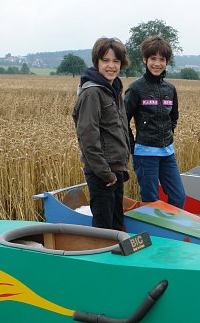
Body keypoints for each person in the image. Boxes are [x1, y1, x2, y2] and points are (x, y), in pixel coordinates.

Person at [72, 37, 131, 230]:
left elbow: (119, 129)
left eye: (116, 61)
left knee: (116, 225)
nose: (111, 66)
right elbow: (88, 137)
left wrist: (122, 166)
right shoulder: (93, 93)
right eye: (105, 60)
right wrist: (106, 174)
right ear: (96, 62)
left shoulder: (113, 90)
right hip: (102, 174)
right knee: (104, 228)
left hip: (115, 170)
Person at [125, 35, 186, 208]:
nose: (157, 63)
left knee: (179, 197)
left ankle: (170, 225)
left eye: (162, 59)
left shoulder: (170, 89)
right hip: (145, 154)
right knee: (151, 201)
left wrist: (167, 136)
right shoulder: (136, 88)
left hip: (167, 153)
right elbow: (122, 120)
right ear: (145, 59)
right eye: (153, 58)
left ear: (167, 62)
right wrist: (133, 147)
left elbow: (173, 117)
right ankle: (150, 227)